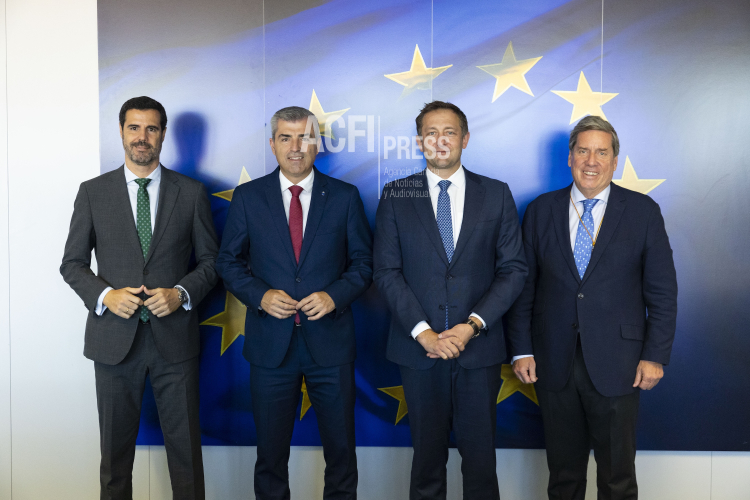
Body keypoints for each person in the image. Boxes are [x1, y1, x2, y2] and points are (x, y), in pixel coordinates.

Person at [507, 115, 678, 500]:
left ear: (614, 161)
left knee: (618, 478)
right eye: (583, 151)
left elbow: (663, 292)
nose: (591, 161)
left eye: (602, 153)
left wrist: (654, 355)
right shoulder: (540, 210)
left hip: (621, 364)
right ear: (570, 158)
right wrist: (521, 349)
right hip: (553, 362)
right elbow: (523, 288)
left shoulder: (642, 211)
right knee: (563, 477)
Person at [60, 96, 219, 499]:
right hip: (114, 343)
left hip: (176, 343)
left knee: (186, 460)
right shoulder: (93, 192)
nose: (142, 137)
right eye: (134, 127)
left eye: (151, 128)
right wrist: (106, 295)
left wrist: (181, 294)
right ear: (121, 131)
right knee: (115, 463)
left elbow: (212, 263)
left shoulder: (191, 192)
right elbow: (72, 264)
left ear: (163, 134)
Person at [215, 106, 373, 500]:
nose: (296, 147)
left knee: (341, 454)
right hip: (271, 347)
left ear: (317, 143)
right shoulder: (249, 197)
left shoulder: (345, 196)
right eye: (286, 138)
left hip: (331, 345)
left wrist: (334, 295)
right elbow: (228, 263)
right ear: (273, 144)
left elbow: (364, 264)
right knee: (270, 457)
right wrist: (260, 295)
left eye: (304, 137)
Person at [373, 101, 528, 500]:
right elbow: (386, 271)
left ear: (465, 138)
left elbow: (513, 270)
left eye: (449, 132)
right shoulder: (396, 194)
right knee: (427, 464)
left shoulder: (495, 193)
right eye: (431, 133)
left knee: (481, 465)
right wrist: (424, 333)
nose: (440, 141)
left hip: (478, 350)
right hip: (419, 352)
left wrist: (472, 325)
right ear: (419, 141)